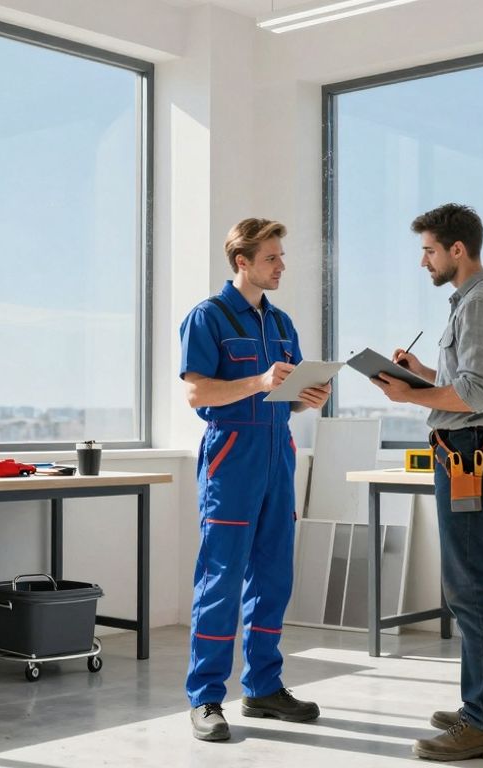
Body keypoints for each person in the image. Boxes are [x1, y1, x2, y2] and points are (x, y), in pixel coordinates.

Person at [371, 203, 483, 762]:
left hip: (468, 456)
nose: (424, 262)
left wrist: (410, 396)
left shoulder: (480, 304)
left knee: (468, 589)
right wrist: (423, 374)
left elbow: (476, 396)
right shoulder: (478, 301)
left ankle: (482, 722)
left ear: (457, 251)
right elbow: (466, 382)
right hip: (478, 453)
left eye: (429, 251)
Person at [178, 218, 331, 742]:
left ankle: (264, 687)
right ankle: (206, 698)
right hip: (231, 457)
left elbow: (282, 397)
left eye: (281, 256)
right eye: (271, 257)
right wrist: (260, 380)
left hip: (278, 455)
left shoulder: (283, 323)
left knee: (272, 578)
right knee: (220, 578)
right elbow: (198, 394)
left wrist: (307, 396)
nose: (281, 265)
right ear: (241, 261)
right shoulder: (208, 317)